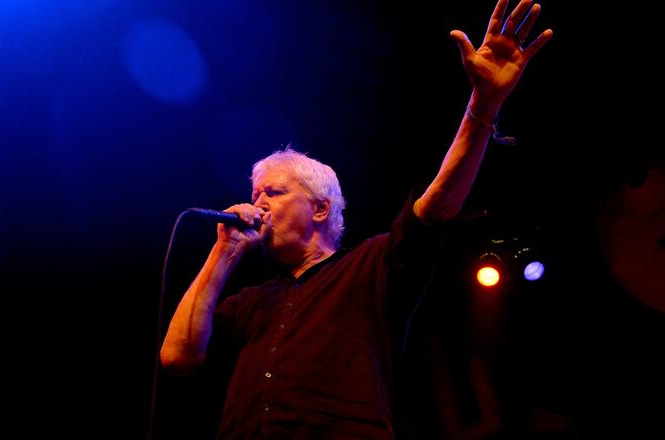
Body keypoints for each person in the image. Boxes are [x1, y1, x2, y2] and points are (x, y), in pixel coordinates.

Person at [160, 0, 553, 438]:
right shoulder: (250, 302)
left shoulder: (371, 269)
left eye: (274, 192)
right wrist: (223, 252)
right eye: (255, 195)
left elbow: (440, 199)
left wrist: (483, 105)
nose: (259, 203)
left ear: (321, 208)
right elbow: (178, 358)